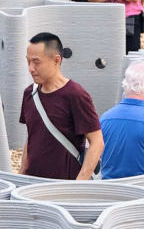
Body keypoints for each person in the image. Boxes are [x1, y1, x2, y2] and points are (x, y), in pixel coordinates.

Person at [19, 33, 103, 180]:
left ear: (56, 60)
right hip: (31, 186)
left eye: (36, 62)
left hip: (64, 187)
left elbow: (97, 142)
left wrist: (79, 184)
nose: (30, 68)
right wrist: (21, 174)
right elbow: (32, 136)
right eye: (28, 62)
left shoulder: (75, 95)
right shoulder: (29, 94)